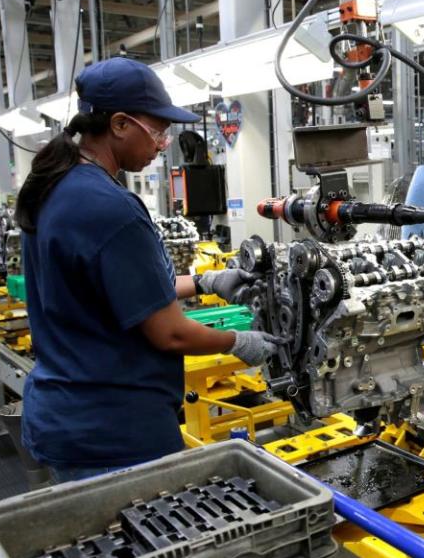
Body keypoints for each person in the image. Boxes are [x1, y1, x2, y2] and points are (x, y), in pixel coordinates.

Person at [16, 58, 280, 483]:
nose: (162, 145)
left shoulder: (56, 185)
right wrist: (239, 341)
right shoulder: (109, 207)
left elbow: (106, 292)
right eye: (158, 131)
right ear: (120, 124)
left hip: (69, 411)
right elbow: (170, 333)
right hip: (115, 430)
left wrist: (203, 280)